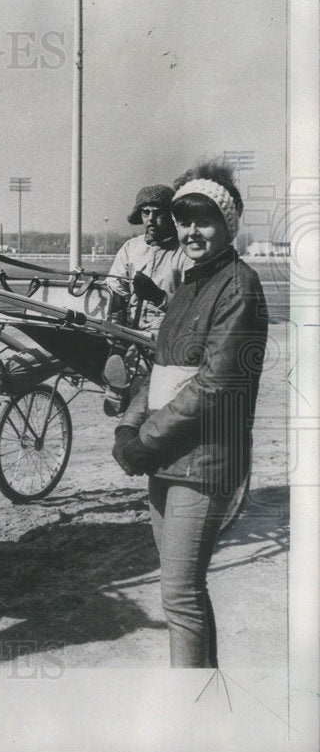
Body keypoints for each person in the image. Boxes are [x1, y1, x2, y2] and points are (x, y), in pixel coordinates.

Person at [112, 160, 268, 668]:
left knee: (178, 595)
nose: (191, 230)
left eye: (204, 220)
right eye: (184, 220)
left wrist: (144, 441)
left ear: (228, 226)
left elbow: (216, 385)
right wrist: (128, 425)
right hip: (166, 457)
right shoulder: (186, 286)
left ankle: (190, 715)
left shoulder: (239, 287)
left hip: (203, 464)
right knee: (185, 594)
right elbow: (161, 372)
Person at [102, 184, 194, 415]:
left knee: (139, 369)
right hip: (129, 329)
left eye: (158, 213)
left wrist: (157, 295)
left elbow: (194, 306)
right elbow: (115, 288)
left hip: (165, 332)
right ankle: (12, 374)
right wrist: (116, 312)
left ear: (172, 217)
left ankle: (121, 390)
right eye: (146, 212)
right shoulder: (131, 248)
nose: (151, 219)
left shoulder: (185, 253)